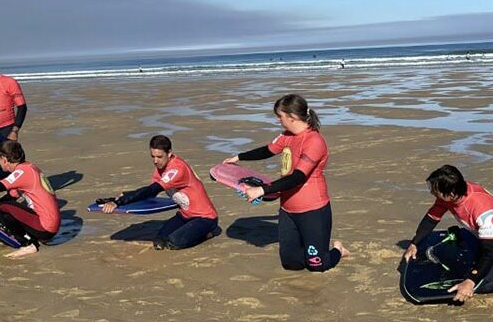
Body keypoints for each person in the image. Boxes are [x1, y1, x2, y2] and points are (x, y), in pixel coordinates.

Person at [224, 94, 347, 272]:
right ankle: (312, 248)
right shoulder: (287, 136)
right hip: (288, 209)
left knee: (317, 265)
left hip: (313, 210)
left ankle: (338, 250)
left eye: (279, 115)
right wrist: (238, 157)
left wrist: (261, 190)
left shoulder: (314, 141)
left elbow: (298, 177)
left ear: (292, 117)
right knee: (291, 264)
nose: (277, 119)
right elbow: (267, 150)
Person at [404, 164, 493, 302]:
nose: (431, 193)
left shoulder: (482, 209)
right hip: (481, 239)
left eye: (435, 190)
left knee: (475, 285)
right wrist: (415, 243)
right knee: (460, 246)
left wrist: (471, 281)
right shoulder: (452, 194)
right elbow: (431, 218)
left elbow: (489, 251)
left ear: (451, 194)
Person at [100, 135, 220, 250]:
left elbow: (152, 190)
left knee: (173, 243)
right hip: (185, 215)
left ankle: (208, 233)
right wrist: (123, 196)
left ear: (169, 153)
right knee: (159, 241)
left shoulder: (177, 169)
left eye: (159, 156)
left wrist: (119, 203)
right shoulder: (160, 169)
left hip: (205, 218)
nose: (155, 161)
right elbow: (150, 193)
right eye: (153, 156)